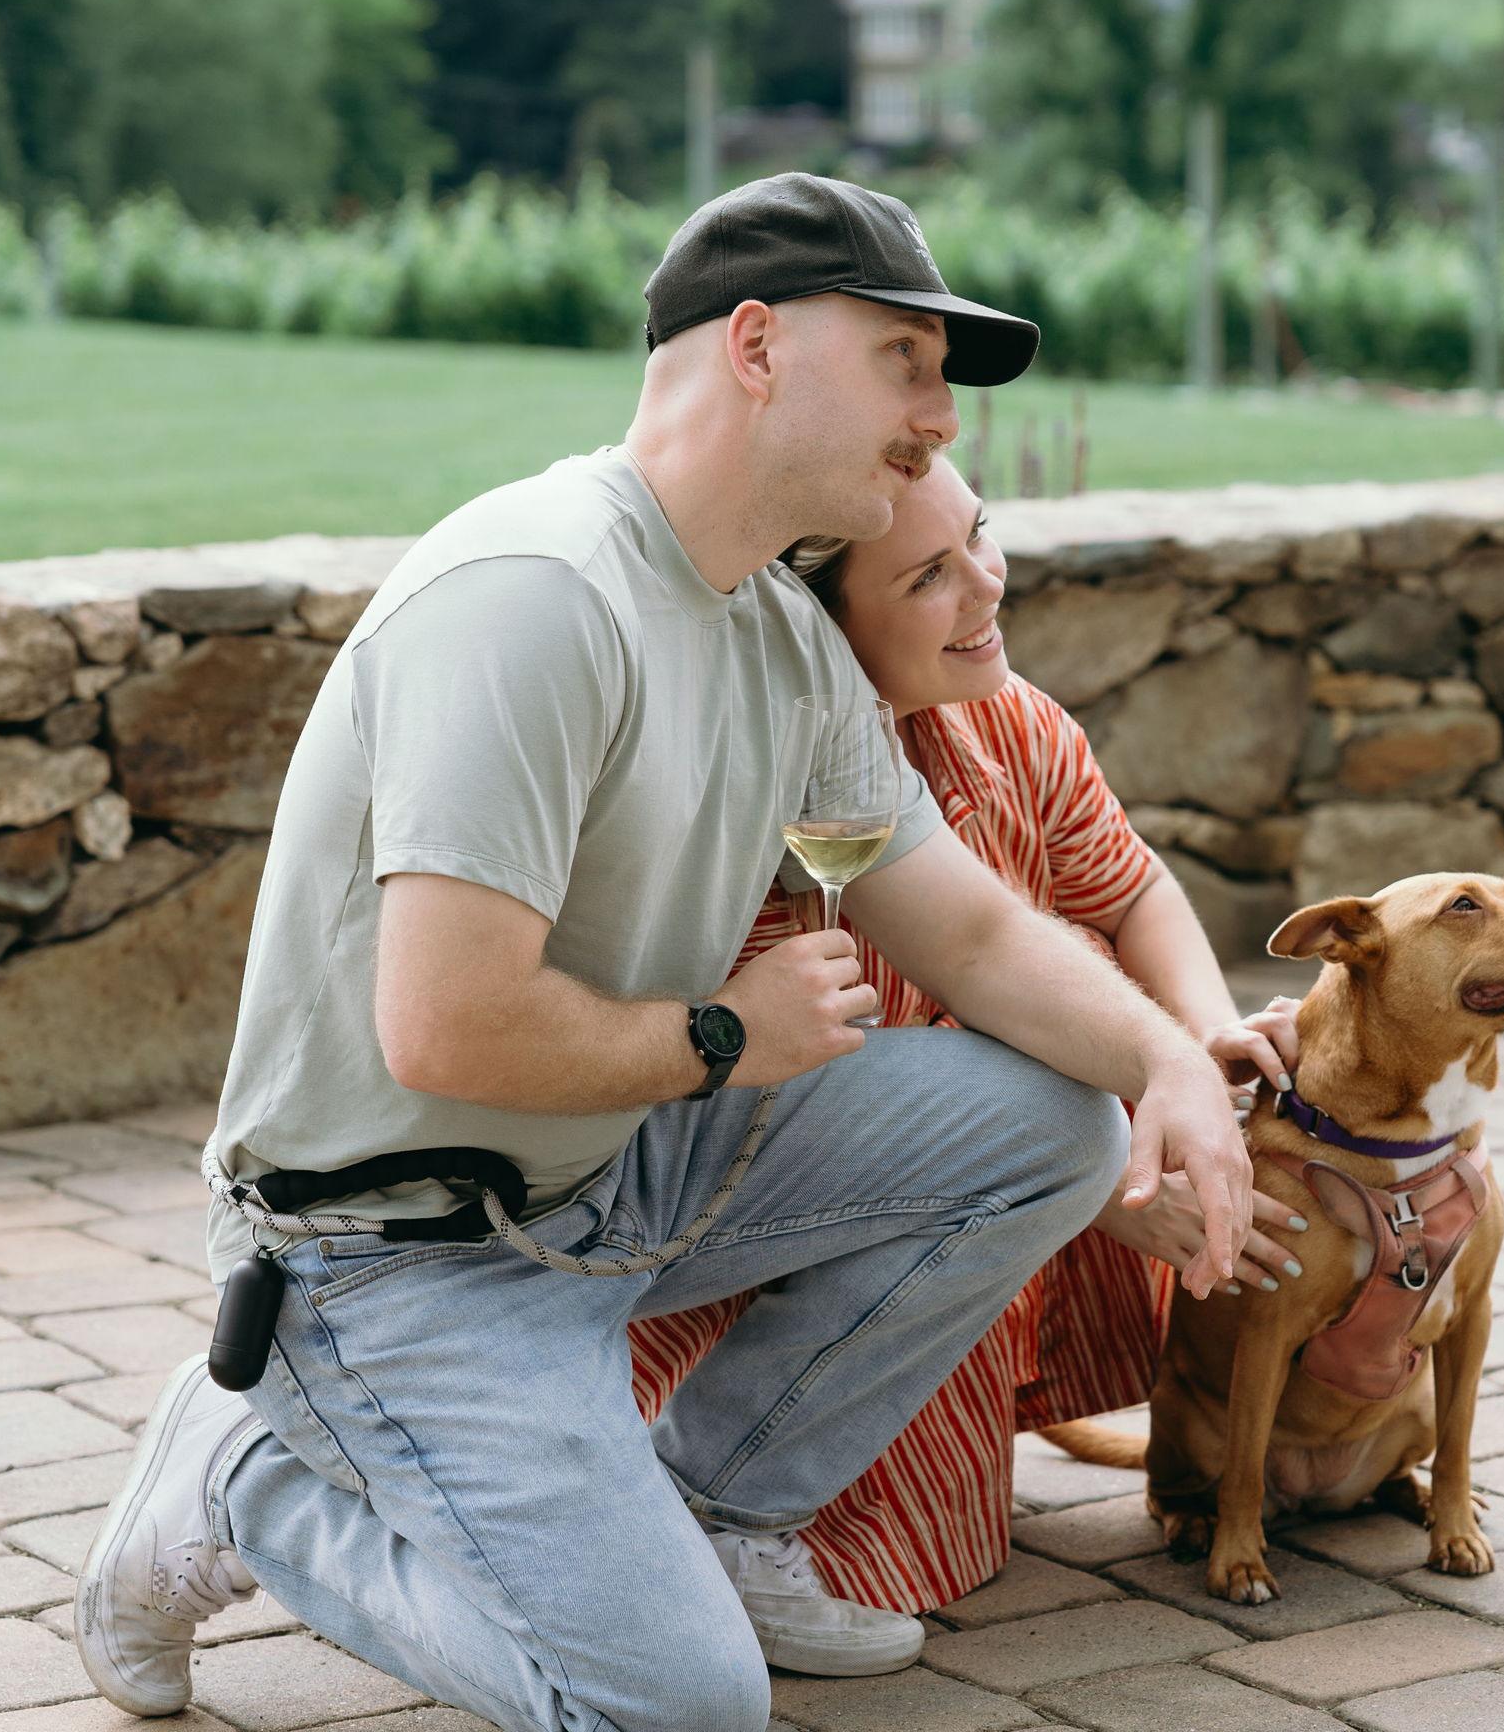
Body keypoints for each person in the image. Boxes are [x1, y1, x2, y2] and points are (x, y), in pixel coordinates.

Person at [74, 173, 1268, 1732]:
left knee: (1052, 1123)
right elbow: (444, 1030)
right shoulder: (532, 596)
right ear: (757, 345)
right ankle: (244, 1486)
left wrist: (1169, 1057)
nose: (942, 422)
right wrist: (723, 1035)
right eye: (906, 361)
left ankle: (714, 1511)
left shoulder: (772, 635)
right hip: (387, 1250)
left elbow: (965, 926)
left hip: (616, 1168)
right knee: (677, 1713)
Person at [628, 454, 1306, 1614]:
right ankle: (697, 1487)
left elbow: (1131, 888)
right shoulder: (757, 782)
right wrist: (1106, 1174)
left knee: (1106, 1012)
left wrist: (1200, 1036)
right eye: (929, 576)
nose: (986, 585)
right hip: (752, 1197)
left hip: (977, 1145)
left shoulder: (1013, 718)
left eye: (978, 537)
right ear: (824, 632)